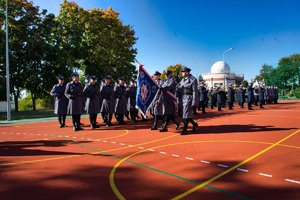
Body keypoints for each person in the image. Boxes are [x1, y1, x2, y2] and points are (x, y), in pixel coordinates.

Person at [177, 66, 199, 135]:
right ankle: (194, 124)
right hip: (182, 98)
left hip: (189, 98)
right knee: (183, 114)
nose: (182, 73)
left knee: (186, 114)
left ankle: (185, 129)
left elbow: (195, 91)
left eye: (183, 72)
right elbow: (179, 87)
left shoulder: (193, 80)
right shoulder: (182, 80)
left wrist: (194, 102)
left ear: (187, 72)